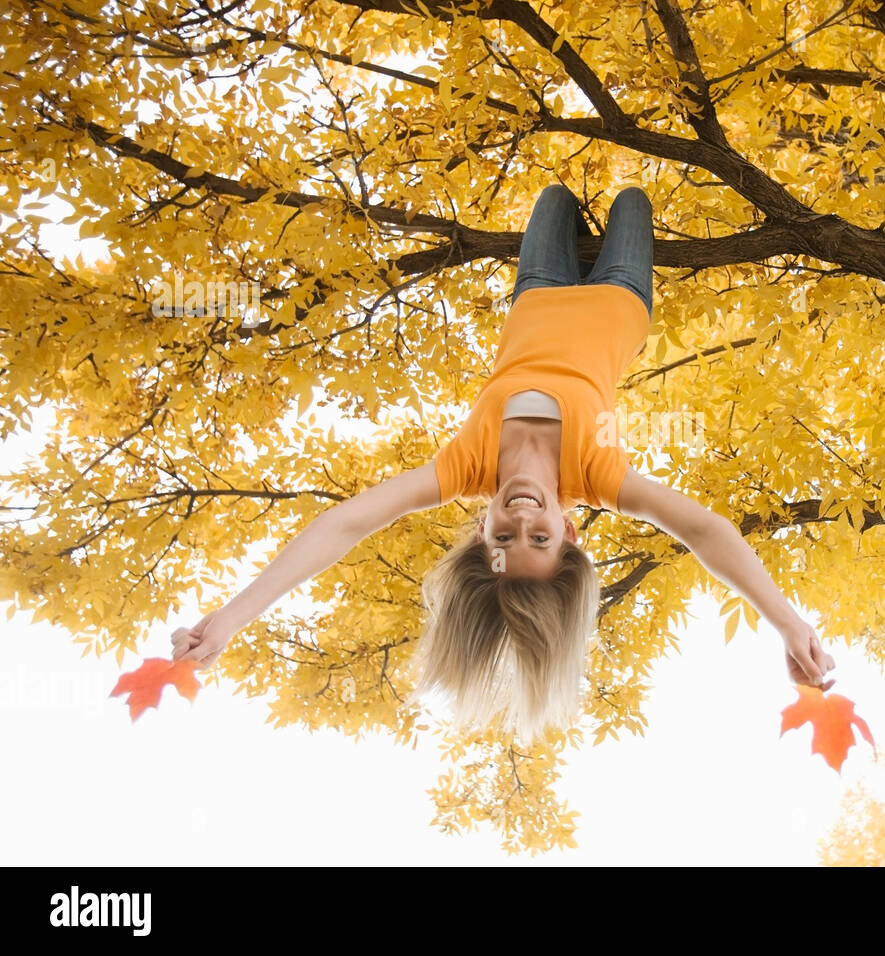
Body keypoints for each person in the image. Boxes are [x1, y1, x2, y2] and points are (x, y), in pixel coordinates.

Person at [172, 183, 836, 742]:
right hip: (623, 297)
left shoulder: (464, 466)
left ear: (482, 533)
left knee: (553, 197)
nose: (521, 520)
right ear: (570, 533)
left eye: (503, 537)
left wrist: (228, 618)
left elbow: (343, 527)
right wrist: (789, 623)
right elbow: (706, 534)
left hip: (537, 289)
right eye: (540, 539)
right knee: (633, 198)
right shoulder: (597, 473)